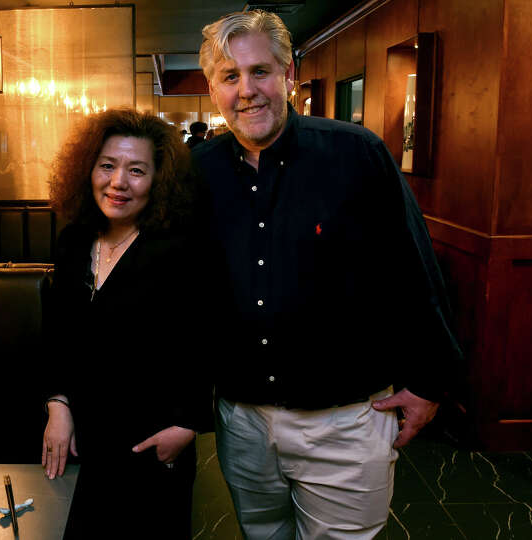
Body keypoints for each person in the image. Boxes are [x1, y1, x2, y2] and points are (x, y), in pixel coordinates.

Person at [192, 10, 462, 539]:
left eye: (260, 72)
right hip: (241, 423)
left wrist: (429, 382)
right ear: (213, 89)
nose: (247, 90)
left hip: (345, 423)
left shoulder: (356, 153)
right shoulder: (198, 171)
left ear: (288, 74)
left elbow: (414, 271)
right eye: (230, 77)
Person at [42, 108, 215, 539]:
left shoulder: (179, 247)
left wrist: (186, 424)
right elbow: (57, 332)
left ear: (158, 180)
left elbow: (206, 338)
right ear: (89, 170)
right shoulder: (74, 240)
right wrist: (57, 404)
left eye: (136, 170)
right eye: (107, 165)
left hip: (153, 440)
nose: (118, 182)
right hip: (82, 437)